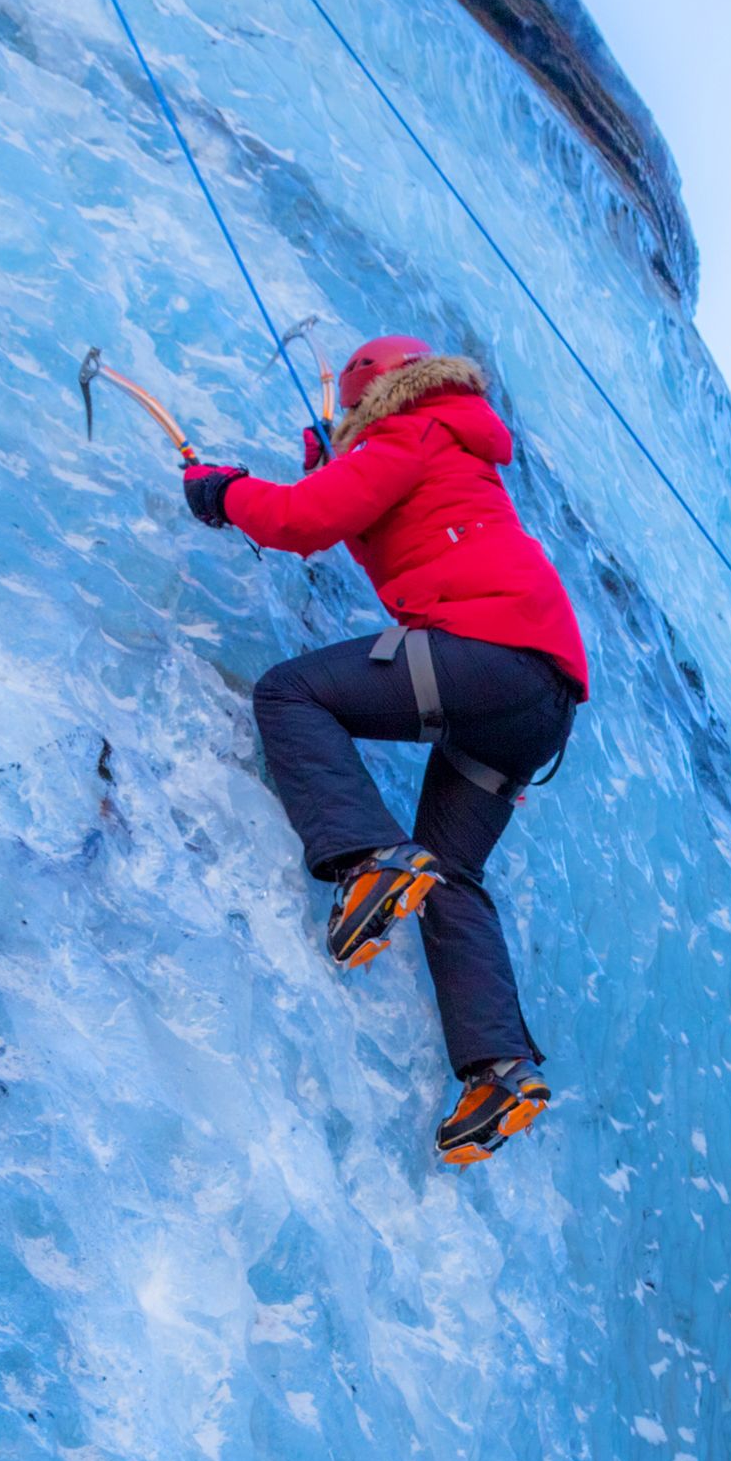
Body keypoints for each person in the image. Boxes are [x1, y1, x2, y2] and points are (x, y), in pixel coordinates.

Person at [179, 334, 589, 1167]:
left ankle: (367, 856)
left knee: (289, 693)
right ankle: (498, 1073)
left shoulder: (411, 435)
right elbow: (361, 513)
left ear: (376, 397)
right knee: (451, 871)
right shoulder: (448, 442)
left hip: (489, 658)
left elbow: (305, 522)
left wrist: (223, 492)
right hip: (540, 704)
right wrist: (329, 458)